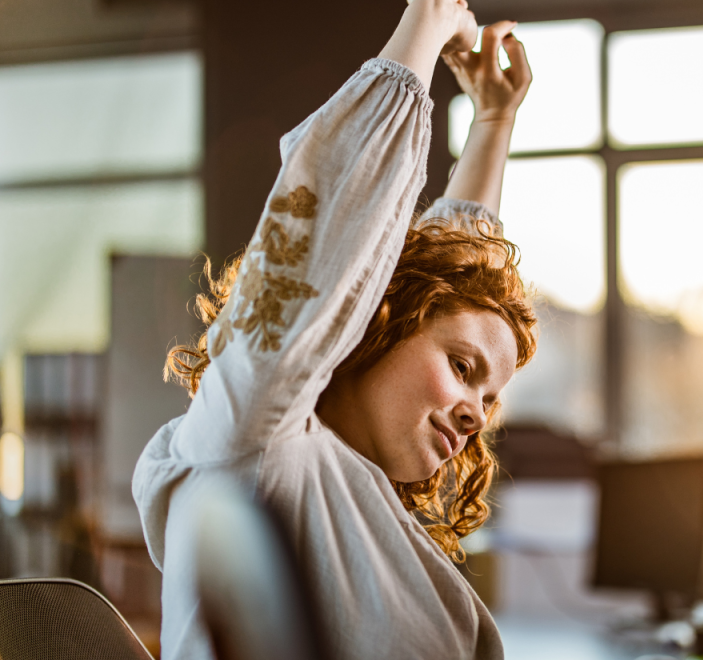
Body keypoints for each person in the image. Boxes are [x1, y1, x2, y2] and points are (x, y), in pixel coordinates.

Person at [132, 1, 535, 657]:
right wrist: (428, 23)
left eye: (488, 403)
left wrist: (493, 121)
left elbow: (445, 274)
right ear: (374, 320)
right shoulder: (258, 443)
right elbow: (335, 234)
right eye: (463, 372)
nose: (474, 418)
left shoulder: (368, 504)